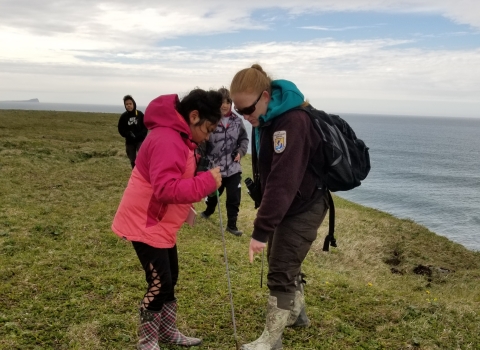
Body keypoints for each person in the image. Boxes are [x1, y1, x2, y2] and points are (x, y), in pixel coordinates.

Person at [111, 89, 223, 350]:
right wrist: (205, 182)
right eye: (207, 129)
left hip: (160, 223)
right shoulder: (167, 139)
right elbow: (164, 188)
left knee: (171, 277)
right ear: (193, 116)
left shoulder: (178, 136)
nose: (207, 136)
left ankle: (168, 332)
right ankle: (147, 341)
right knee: (159, 283)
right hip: (146, 222)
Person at [230, 64, 329, 350]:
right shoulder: (267, 119)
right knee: (282, 261)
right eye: (239, 112)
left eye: (247, 109)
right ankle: (297, 315)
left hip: (305, 204)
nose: (246, 116)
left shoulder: (292, 122)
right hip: (289, 203)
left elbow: (283, 182)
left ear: (264, 96)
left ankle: (271, 342)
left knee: (280, 270)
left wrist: (260, 230)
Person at [200, 87, 249, 236]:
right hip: (215, 168)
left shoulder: (237, 121)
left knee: (234, 197)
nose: (225, 105)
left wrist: (240, 152)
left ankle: (232, 225)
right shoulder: (210, 120)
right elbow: (202, 142)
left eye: (228, 102)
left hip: (234, 168)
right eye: (222, 102)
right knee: (214, 194)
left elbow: (244, 139)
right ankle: (208, 211)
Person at [118, 95, 148, 168]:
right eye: (127, 104)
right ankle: (134, 173)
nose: (129, 106)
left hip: (140, 141)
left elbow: (145, 127)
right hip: (129, 142)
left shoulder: (140, 114)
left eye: (130, 104)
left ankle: (143, 172)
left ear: (133, 104)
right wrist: (128, 134)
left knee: (143, 157)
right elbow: (120, 129)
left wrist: (140, 135)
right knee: (132, 160)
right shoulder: (123, 116)